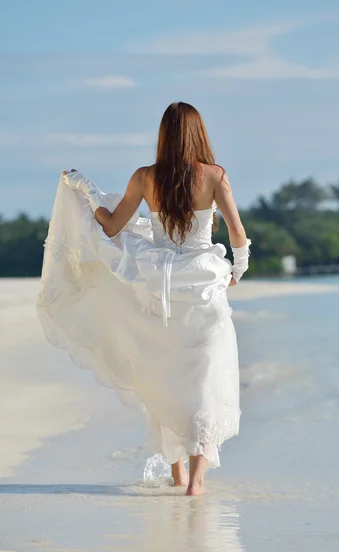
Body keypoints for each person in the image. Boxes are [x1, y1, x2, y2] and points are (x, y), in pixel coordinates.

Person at [37, 102, 251, 496]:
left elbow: (113, 225)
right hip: (202, 290)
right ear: (199, 133)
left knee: (163, 378)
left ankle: (178, 476)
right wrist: (236, 270)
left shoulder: (145, 177)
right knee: (205, 381)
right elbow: (237, 233)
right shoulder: (215, 176)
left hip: (159, 289)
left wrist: (88, 196)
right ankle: (197, 483)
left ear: (164, 135)